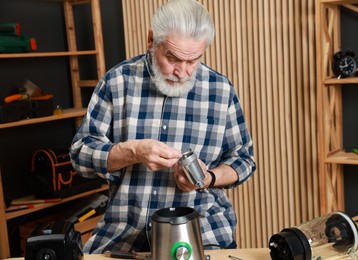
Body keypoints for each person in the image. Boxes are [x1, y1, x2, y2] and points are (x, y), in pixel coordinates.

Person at [70, 0, 256, 254]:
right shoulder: (117, 82)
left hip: (204, 230)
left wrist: (208, 178)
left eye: (193, 60)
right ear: (151, 40)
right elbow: (80, 156)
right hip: (125, 231)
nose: (183, 72)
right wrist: (132, 151)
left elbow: (244, 160)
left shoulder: (220, 89)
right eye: (173, 58)